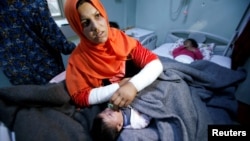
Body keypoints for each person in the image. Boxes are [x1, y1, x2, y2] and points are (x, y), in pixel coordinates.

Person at [64, 0, 163, 108]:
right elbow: (80, 97)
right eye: (86, 23)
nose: (96, 27)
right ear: (78, 28)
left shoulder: (120, 38)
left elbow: (155, 64)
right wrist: (119, 86)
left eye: (97, 16)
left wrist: (133, 85)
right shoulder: (77, 60)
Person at [0, 0, 76, 85]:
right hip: (47, 72)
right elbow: (58, 42)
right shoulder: (35, 3)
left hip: (17, 77)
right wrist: (80, 48)